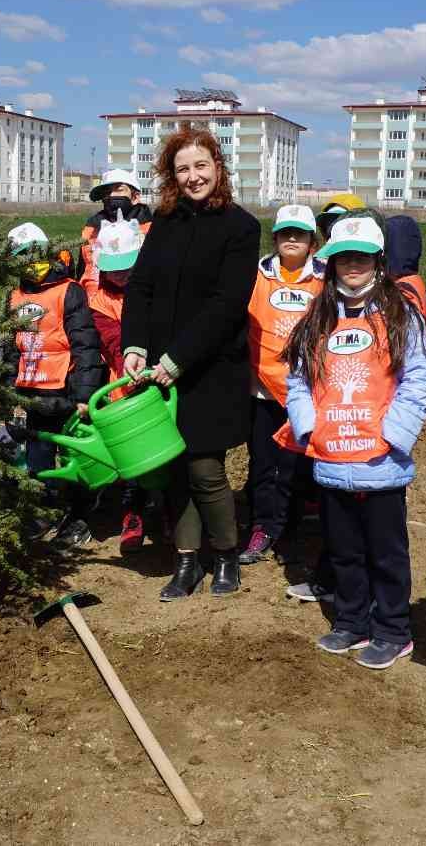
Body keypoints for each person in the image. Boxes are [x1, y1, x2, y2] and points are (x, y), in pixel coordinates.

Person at [281, 216, 426, 669]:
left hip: (380, 461)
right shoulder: (317, 318)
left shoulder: (401, 314)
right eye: (344, 258)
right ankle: (351, 620)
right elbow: (297, 381)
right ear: (330, 264)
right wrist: (310, 428)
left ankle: (393, 629)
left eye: (361, 257)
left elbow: (421, 378)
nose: (352, 265)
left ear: (378, 261)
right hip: (331, 457)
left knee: (386, 553)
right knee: (344, 548)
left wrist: (394, 434)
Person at [121, 127, 260, 600]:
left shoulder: (240, 227)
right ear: (171, 176)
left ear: (217, 167)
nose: (193, 176)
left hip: (209, 368)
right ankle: (185, 562)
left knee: (205, 468)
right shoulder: (165, 223)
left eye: (201, 166)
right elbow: (140, 287)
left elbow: (227, 304)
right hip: (158, 367)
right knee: (173, 467)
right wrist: (134, 345)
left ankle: (224, 556)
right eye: (183, 169)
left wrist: (178, 359)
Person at [4, 223, 105, 548]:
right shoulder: (14, 296)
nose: (30, 262)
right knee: (38, 459)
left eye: (35, 254)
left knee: (74, 458)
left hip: (67, 392)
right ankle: (42, 513)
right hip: (31, 394)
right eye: (23, 256)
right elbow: (8, 350)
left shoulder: (68, 290)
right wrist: (8, 393)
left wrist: (85, 394)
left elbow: (86, 346)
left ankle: (79, 518)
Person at [242, 204, 325, 566]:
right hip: (262, 389)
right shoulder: (256, 275)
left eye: (300, 234)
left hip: (307, 392)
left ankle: (289, 525)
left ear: (312, 242)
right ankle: (262, 525)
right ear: (275, 238)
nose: (292, 239)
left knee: (296, 464)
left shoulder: (325, 278)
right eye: (286, 233)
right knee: (262, 462)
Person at [79, 180, 158, 551]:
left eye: (128, 269)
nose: (121, 277)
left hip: (158, 379)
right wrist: (132, 354)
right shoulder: (97, 298)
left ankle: (166, 513)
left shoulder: (153, 288)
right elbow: (111, 341)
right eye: (114, 271)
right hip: (121, 386)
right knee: (132, 457)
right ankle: (133, 514)